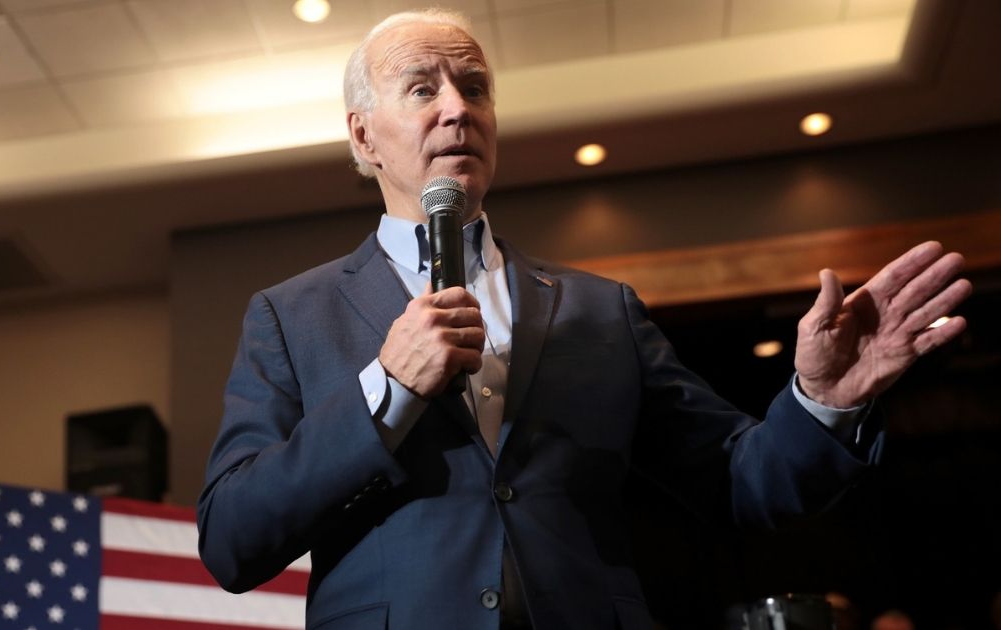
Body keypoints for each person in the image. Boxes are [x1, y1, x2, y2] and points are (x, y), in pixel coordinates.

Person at [195, 9, 971, 629]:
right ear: (364, 135)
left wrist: (823, 401)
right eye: (423, 88)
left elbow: (742, 481)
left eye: (474, 86)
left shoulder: (602, 310)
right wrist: (388, 389)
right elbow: (232, 540)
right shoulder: (291, 316)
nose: (459, 108)